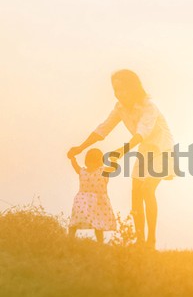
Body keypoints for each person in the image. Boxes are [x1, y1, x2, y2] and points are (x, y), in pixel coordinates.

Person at [67, 69, 174, 250]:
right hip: (144, 149)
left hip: (161, 148)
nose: (118, 94)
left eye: (122, 89)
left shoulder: (149, 107)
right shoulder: (120, 108)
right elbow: (103, 129)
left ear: (133, 88)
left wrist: (121, 152)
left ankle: (151, 241)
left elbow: (141, 133)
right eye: (115, 90)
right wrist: (80, 147)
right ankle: (140, 241)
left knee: (148, 190)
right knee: (136, 193)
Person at [68, 148, 116, 243]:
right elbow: (114, 168)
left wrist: (72, 157)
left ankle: (71, 239)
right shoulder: (87, 171)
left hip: (93, 201)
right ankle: (71, 239)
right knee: (92, 222)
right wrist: (114, 159)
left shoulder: (101, 171)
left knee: (95, 223)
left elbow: (75, 166)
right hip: (89, 200)